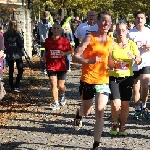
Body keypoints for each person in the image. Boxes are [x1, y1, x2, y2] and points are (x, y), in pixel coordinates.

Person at [72, 11, 113, 150]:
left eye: (109, 21)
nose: (106, 23)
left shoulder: (110, 41)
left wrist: (116, 65)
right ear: (98, 22)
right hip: (88, 80)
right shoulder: (89, 38)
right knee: (87, 111)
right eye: (103, 21)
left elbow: (110, 62)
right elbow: (75, 57)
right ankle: (80, 113)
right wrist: (89, 60)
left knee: (100, 111)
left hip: (103, 80)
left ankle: (96, 144)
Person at [109, 22, 141, 136]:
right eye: (118, 30)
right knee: (115, 104)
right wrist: (114, 64)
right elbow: (107, 62)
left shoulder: (131, 44)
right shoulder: (112, 44)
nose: (120, 33)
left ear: (127, 31)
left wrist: (134, 57)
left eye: (123, 30)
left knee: (125, 104)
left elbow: (138, 60)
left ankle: (122, 126)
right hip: (114, 76)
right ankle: (114, 122)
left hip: (127, 77)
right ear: (115, 31)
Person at [41, 22, 72, 110]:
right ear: (51, 30)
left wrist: (64, 53)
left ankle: (62, 95)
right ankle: (56, 102)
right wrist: (43, 57)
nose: (56, 30)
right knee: (53, 83)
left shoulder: (65, 40)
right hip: (51, 65)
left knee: (61, 85)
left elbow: (70, 51)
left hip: (61, 65)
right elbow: (46, 51)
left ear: (61, 30)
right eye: (54, 28)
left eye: (58, 28)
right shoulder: (47, 41)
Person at [128, 11, 150, 119]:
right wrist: (134, 47)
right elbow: (126, 48)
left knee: (145, 86)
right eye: (138, 18)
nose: (140, 20)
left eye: (142, 18)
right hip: (133, 63)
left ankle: (144, 106)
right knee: (135, 87)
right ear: (135, 20)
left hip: (146, 61)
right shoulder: (130, 33)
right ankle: (137, 108)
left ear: (145, 20)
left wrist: (148, 46)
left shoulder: (149, 32)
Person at [4, 20, 24, 92]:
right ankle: (17, 85)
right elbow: (21, 44)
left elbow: (4, 44)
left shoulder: (5, 34)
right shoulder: (17, 34)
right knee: (20, 69)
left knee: (11, 70)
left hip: (9, 54)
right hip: (17, 53)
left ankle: (12, 86)